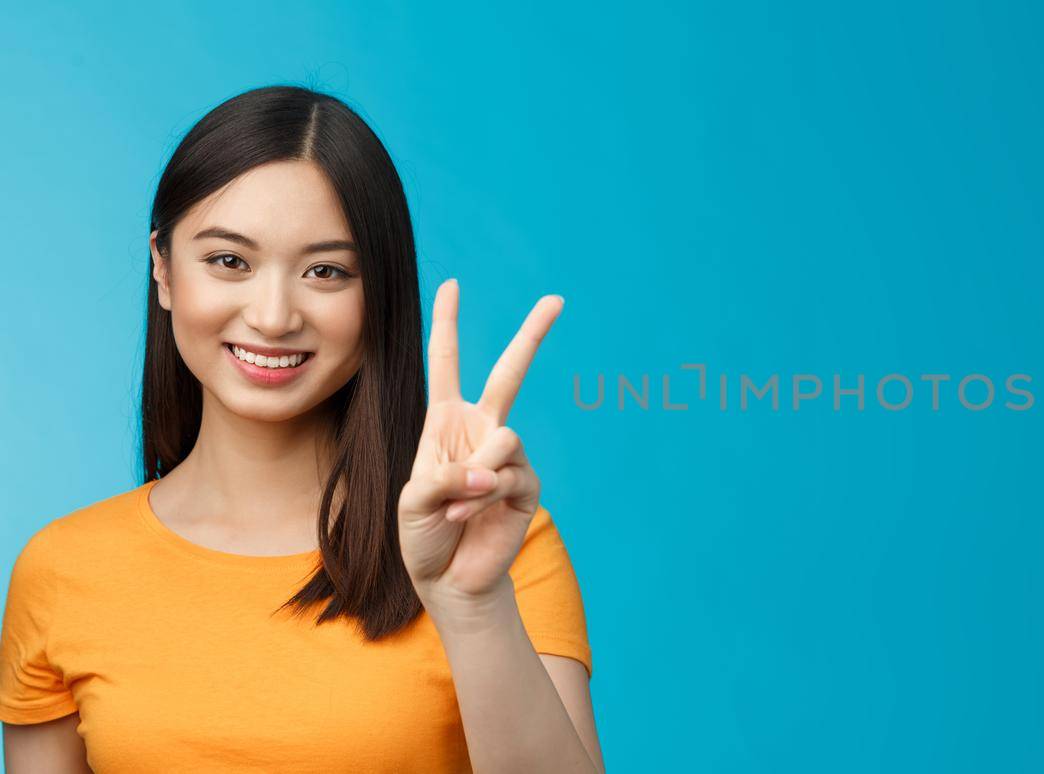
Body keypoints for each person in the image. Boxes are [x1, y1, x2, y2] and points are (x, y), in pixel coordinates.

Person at [0, 85, 604, 773]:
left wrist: (472, 606)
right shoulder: (62, 571)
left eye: (326, 271)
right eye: (229, 261)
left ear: (376, 295)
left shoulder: (491, 546)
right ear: (163, 269)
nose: (274, 315)